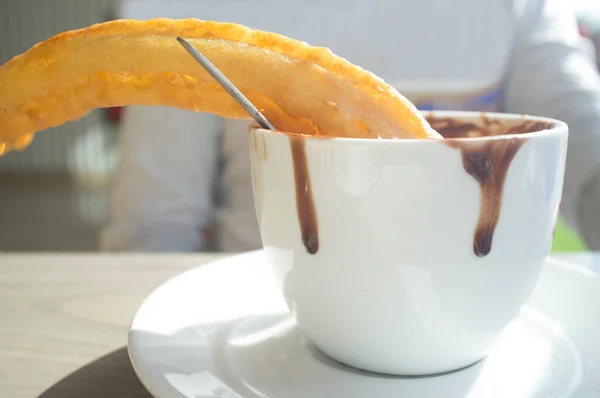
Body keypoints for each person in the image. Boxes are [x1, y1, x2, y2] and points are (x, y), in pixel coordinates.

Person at [101, 0, 600, 252]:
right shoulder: (188, 12)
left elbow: (579, 123)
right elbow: (153, 225)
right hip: (273, 315)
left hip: (476, 306)